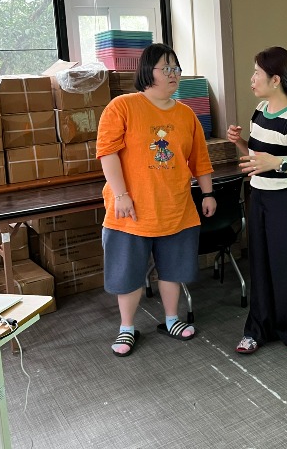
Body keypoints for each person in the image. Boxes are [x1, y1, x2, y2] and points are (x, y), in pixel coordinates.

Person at [96, 43, 216, 357]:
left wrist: (207, 193)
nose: (174, 74)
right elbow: (107, 153)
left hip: (176, 208)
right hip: (131, 211)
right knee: (128, 274)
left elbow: (200, 159)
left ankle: (172, 319)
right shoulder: (123, 106)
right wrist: (121, 195)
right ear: (148, 72)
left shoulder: (186, 113)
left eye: (176, 68)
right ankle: (126, 327)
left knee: (173, 270)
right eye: (167, 68)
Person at [226, 46, 287, 354]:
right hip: (260, 197)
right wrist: (240, 142)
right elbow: (257, 159)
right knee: (260, 264)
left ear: (275, 79)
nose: (252, 79)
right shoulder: (260, 111)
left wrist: (275, 163)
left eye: (257, 74)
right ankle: (258, 328)